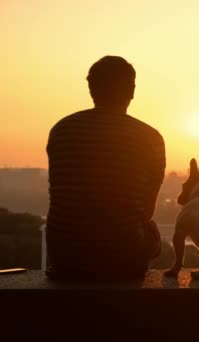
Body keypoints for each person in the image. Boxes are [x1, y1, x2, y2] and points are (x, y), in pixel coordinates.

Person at [45, 56, 165, 280]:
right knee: (152, 231)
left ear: (91, 89)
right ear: (132, 90)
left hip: (65, 258)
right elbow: (146, 210)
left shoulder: (61, 130)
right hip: (123, 260)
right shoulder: (149, 137)